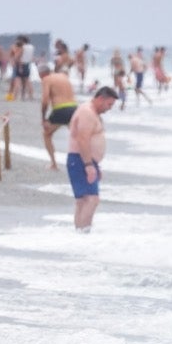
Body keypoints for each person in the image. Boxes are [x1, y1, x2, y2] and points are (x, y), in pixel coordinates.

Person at [67, 86, 118, 232]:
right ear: (100, 99)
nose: (109, 108)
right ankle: (83, 232)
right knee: (91, 199)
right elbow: (82, 139)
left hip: (83, 159)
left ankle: (80, 234)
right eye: (109, 104)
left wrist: (95, 164)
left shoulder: (91, 112)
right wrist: (89, 164)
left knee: (83, 200)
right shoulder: (87, 112)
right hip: (80, 159)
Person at [39, 63, 78, 170]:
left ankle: (53, 163)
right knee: (77, 137)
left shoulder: (46, 79)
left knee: (46, 134)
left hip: (60, 109)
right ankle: (83, 162)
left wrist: (43, 118)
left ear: (41, 74)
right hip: (74, 108)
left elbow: (45, 100)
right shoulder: (63, 76)